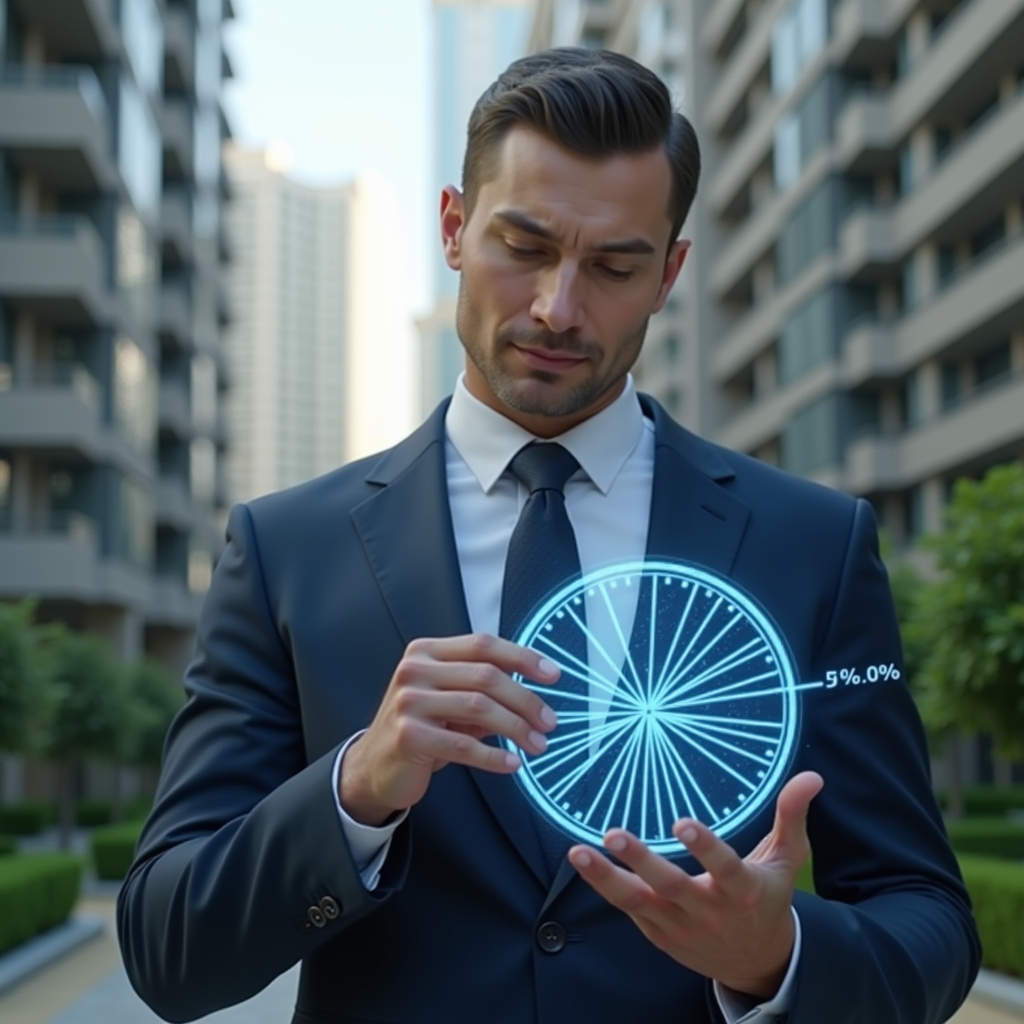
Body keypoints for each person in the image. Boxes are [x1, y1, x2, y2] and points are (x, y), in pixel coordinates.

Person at [118, 48, 980, 1024]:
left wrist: (776, 955)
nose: (556, 308)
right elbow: (166, 949)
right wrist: (355, 790)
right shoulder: (286, 550)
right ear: (453, 226)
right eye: (523, 246)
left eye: (614, 265)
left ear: (670, 273)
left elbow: (930, 918)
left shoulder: (810, 546)